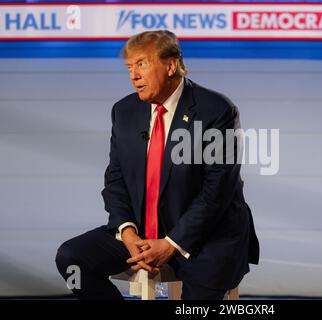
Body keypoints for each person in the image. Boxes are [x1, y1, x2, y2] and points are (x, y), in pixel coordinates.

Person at [55, 30, 259, 300]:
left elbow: (216, 193)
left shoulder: (216, 110)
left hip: (206, 238)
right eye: (129, 67)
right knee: (71, 259)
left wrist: (171, 243)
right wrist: (127, 232)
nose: (133, 75)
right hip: (143, 234)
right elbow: (115, 179)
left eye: (142, 64)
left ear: (171, 65)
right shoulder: (125, 111)